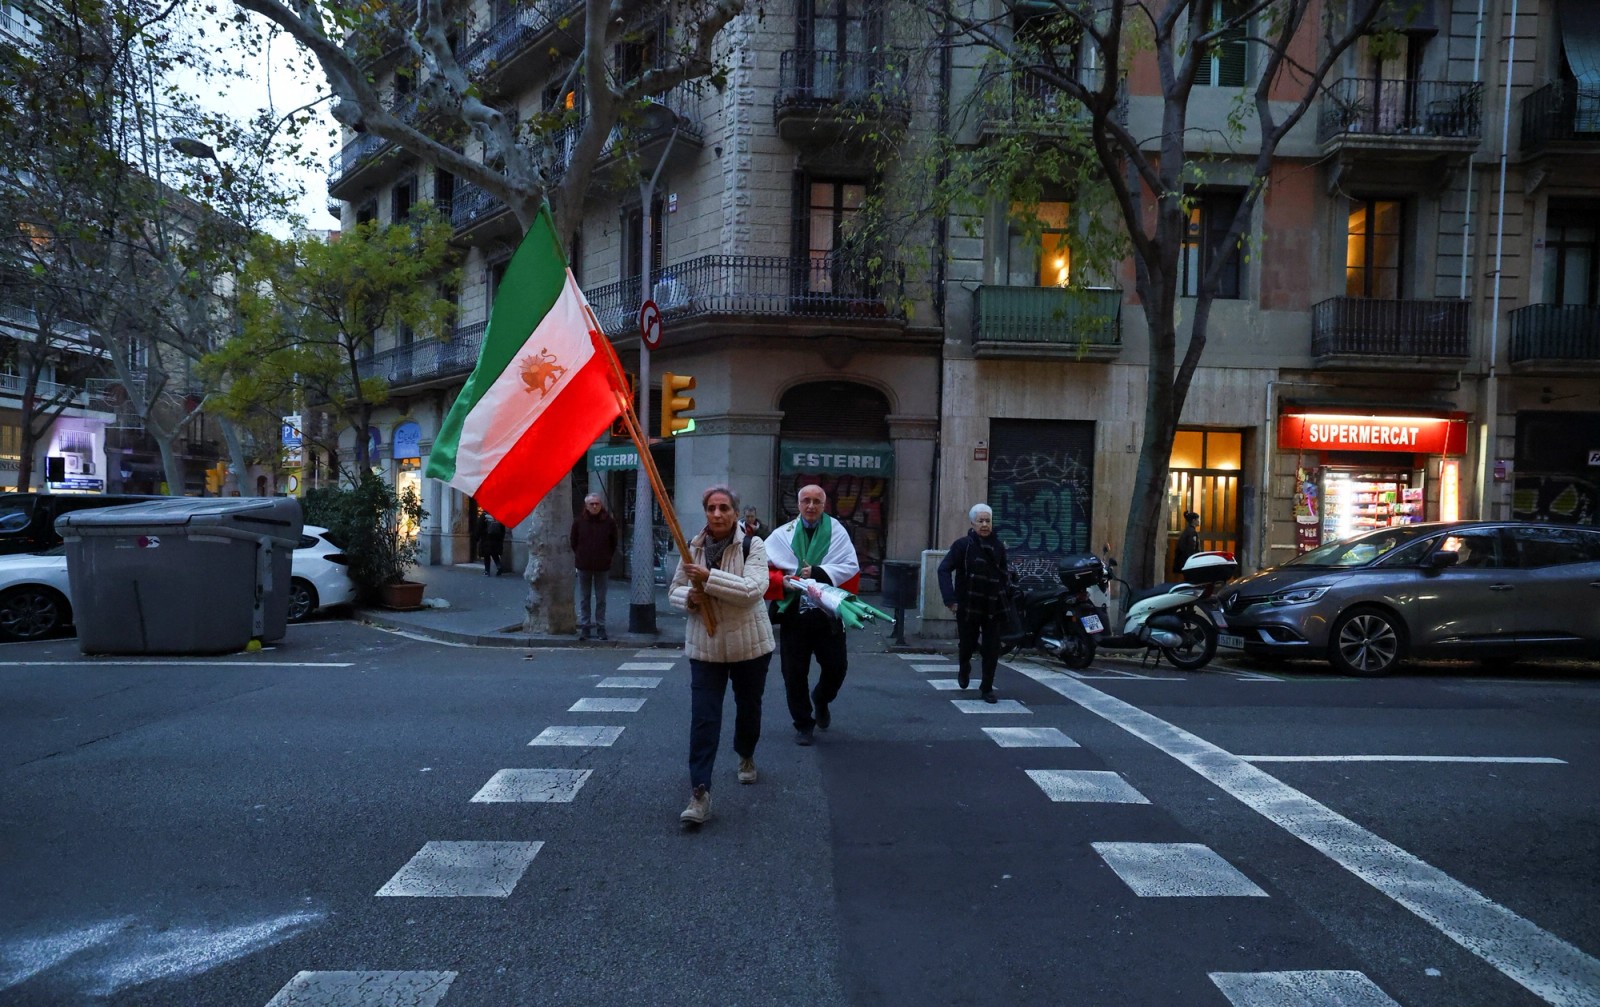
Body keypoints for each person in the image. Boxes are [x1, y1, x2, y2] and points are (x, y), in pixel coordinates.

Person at [669, 484, 776, 826]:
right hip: (707, 646)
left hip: (749, 646)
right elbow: (674, 590)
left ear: (735, 513)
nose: (717, 514)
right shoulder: (693, 546)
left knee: (748, 708)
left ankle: (746, 753)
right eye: (711, 508)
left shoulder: (752, 545)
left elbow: (752, 590)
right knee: (704, 718)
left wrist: (708, 579)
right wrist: (690, 598)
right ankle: (699, 792)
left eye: (724, 508)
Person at [764, 484, 860, 745]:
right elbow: (763, 568)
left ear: (824, 505)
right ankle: (803, 724)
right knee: (793, 673)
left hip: (827, 614)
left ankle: (821, 698)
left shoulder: (837, 531)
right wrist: (783, 581)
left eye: (817, 501)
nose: (811, 506)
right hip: (794, 614)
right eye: (806, 500)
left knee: (836, 667)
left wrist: (817, 572)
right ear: (798, 504)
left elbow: (850, 566)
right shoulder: (782, 534)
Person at [937, 503, 1010, 703]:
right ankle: (964, 666)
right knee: (967, 645)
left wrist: (1006, 591)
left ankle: (987, 687)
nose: (984, 525)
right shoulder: (963, 546)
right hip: (967, 605)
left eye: (988, 521)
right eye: (980, 521)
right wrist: (950, 600)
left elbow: (1004, 572)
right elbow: (944, 569)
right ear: (972, 523)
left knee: (991, 649)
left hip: (993, 605)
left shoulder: (998, 546)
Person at [570, 493, 619, 640]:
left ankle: (600, 626)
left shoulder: (609, 522)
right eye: (592, 504)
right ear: (586, 506)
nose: (595, 506)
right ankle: (585, 626)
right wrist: (580, 555)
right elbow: (573, 541)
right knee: (584, 598)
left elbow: (613, 542)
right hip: (584, 565)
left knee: (601, 598)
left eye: (597, 503)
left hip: (602, 565)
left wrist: (607, 556)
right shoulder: (579, 522)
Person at [477, 511, 506, 577]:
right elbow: (502, 528)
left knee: (486, 555)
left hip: (486, 538)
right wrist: (501, 538)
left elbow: (479, 527)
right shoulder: (498, 514)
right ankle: (499, 566)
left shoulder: (484, 515)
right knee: (495, 554)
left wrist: (477, 537)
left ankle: (487, 571)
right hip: (496, 539)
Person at [1174, 510, 1201, 578]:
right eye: (1198, 519)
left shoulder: (1187, 530)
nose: (1199, 521)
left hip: (1184, 560)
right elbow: (1191, 549)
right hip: (1188, 561)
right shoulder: (1191, 532)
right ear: (1194, 520)